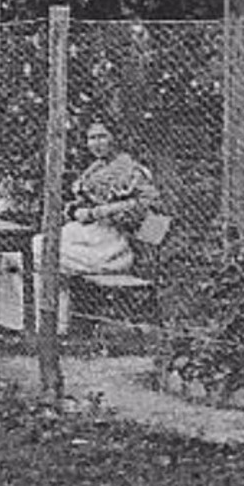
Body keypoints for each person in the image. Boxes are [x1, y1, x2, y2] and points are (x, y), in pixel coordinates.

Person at [31, 122, 158, 333]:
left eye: (102, 137)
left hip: (116, 244)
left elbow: (146, 207)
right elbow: (81, 202)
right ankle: (53, 325)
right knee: (42, 246)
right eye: (92, 138)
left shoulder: (131, 170)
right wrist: (74, 210)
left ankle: (52, 326)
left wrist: (95, 213)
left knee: (44, 253)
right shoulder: (96, 169)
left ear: (116, 139)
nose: (96, 143)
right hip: (92, 235)